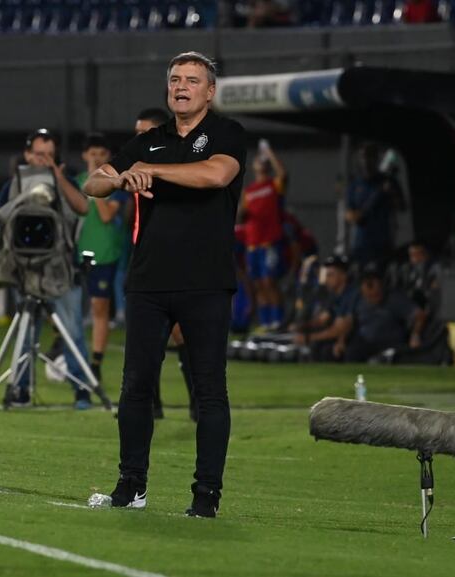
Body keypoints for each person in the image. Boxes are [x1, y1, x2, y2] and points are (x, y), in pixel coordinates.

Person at [84, 51, 246, 517]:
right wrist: (119, 179)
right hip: (149, 281)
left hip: (206, 282)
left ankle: (206, 497)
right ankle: (130, 486)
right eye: (175, 79)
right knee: (135, 385)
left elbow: (216, 174)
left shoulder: (227, 133)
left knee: (210, 390)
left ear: (209, 91)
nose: (181, 87)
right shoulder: (148, 140)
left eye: (192, 80)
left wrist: (150, 171)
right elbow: (95, 183)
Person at [0, 129, 93, 408]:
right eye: (39, 154)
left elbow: (83, 208)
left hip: (61, 268)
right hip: (25, 267)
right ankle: (20, 389)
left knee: (73, 332)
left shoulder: (64, 180)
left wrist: (58, 176)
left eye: (50, 155)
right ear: (27, 155)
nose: (44, 160)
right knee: (25, 334)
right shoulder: (14, 185)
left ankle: (82, 390)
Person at [134, 106, 198, 421]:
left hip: (175, 260)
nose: (138, 139)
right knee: (148, 335)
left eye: (144, 133)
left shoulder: (173, 167)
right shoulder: (137, 166)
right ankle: (152, 404)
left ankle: (198, 402)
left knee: (181, 332)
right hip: (143, 258)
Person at [76, 133, 129, 383]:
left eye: (102, 154)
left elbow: (107, 216)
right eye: (92, 153)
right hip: (76, 252)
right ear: (84, 155)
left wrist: (94, 183)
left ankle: (96, 363)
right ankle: (63, 353)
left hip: (104, 253)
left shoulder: (116, 184)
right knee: (65, 306)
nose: (96, 158)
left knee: (100, 307)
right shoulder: (74, 182)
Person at [241, 138, 287, 332]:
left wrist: (269, 153)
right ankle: (266, 323)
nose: (260, 162)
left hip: (269, 243)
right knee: (258, 284)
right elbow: (242, 214)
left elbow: (283, 174)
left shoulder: (273, 185)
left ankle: (278, 321)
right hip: (252, 244)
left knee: (269, 282)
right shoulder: (248, 191)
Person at [345, 264, 427, 363]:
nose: (370, 286)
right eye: (366, 282)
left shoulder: (395, 299)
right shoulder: (358, 299)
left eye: (374, 281)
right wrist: (341, 340)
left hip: (389, 343)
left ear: (382, 283)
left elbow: (419, 315)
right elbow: (349, 320)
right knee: (351, 353)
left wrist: (415, 335)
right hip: (365, 342)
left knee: (381, 360)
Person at [293, 255, 358, 362]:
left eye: (330, 275)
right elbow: (322, 319)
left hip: (355, 337)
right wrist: (301, 327)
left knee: (328, 351)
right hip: (340, 336)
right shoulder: (333, 295)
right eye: (326, 275)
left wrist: (308, 338)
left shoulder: (352, 294)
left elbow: (341, 328)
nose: (326, 279)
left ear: (343, 276)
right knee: (316, 346)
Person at [345, 143, 401, 265]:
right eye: (363, 157)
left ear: (376, 158)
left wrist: (391, 193)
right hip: (361, 245)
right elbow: (350, 216)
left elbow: (401, 207)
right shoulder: (355, 186)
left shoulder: (388, 181)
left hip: (384, 244)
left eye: (370, 156)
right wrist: (361, 213)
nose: (366, 161)